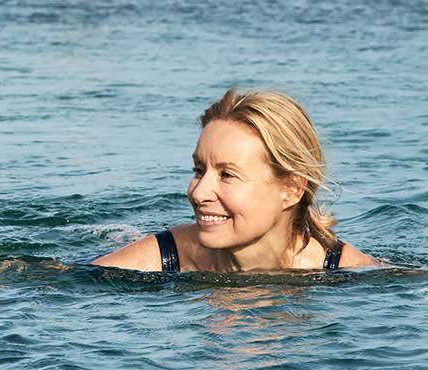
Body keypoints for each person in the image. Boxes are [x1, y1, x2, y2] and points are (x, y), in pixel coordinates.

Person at [92, 88, 379, 272]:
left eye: (227, 174)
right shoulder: (168, 256)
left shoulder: (344, 270)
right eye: (198, 170)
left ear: (291, 189)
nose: (198, 192)